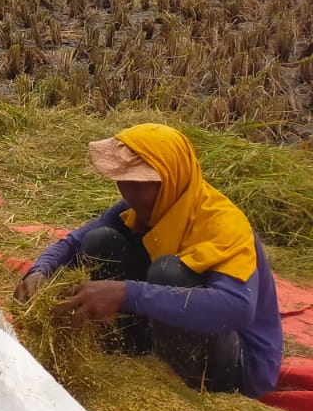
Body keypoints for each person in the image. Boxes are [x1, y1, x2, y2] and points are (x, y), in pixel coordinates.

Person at [17, 123, 283, 397]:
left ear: (170, 180)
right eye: (123, 180)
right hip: (174, 336)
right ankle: (130, 353)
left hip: (237, 365)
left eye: (138, 183)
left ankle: (182, 389)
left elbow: (237, 308)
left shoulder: (224, 225)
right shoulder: (144, 208)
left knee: (168, 272)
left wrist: (126, 294)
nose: (127, 193)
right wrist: (40, 271)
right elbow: (73, 243)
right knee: (101, 241)